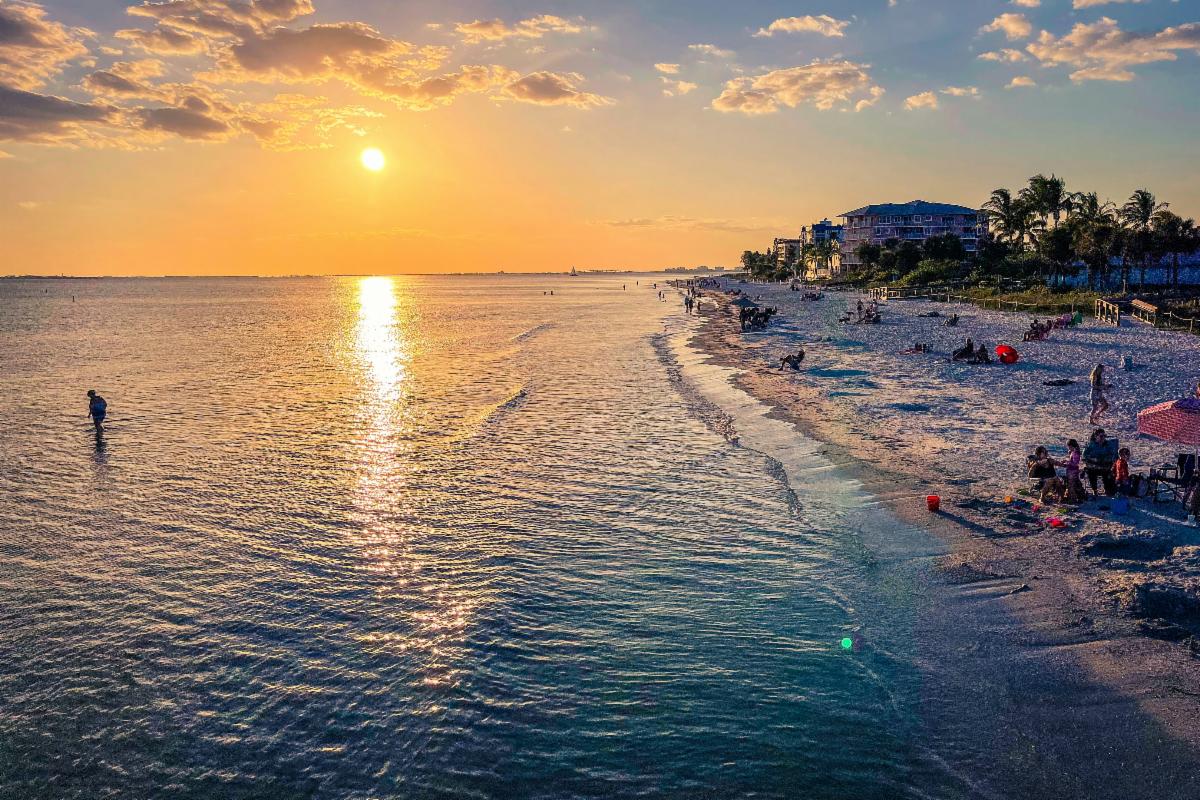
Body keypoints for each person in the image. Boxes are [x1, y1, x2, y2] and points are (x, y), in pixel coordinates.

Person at [1083, 428, 1118, 497]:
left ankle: (1108, 490)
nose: (1103, 438)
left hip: (1105, 467)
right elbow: (1084, 455)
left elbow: (1113, 455)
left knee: (1108, 474)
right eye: (1101, 436)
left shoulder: (1108, 445)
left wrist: (1105, 459)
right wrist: (1094, 459)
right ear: (1096, 436)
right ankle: (1095, 490)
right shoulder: (1091, 445)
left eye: (1104, 436)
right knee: (1091, 472)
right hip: (1094, 467)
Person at [1063, 439, 1086, 503]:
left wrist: (1067, 462)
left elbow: (1075, 463)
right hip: (1071, 470)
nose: (1068, 448)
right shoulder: (1073, 452)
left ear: (1071, 446)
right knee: (1074, 484)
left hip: (1072, 471)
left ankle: (1072, 499)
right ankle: (1077, 496)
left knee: (1071, 485)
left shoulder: (1075, 453)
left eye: (1069, 446)